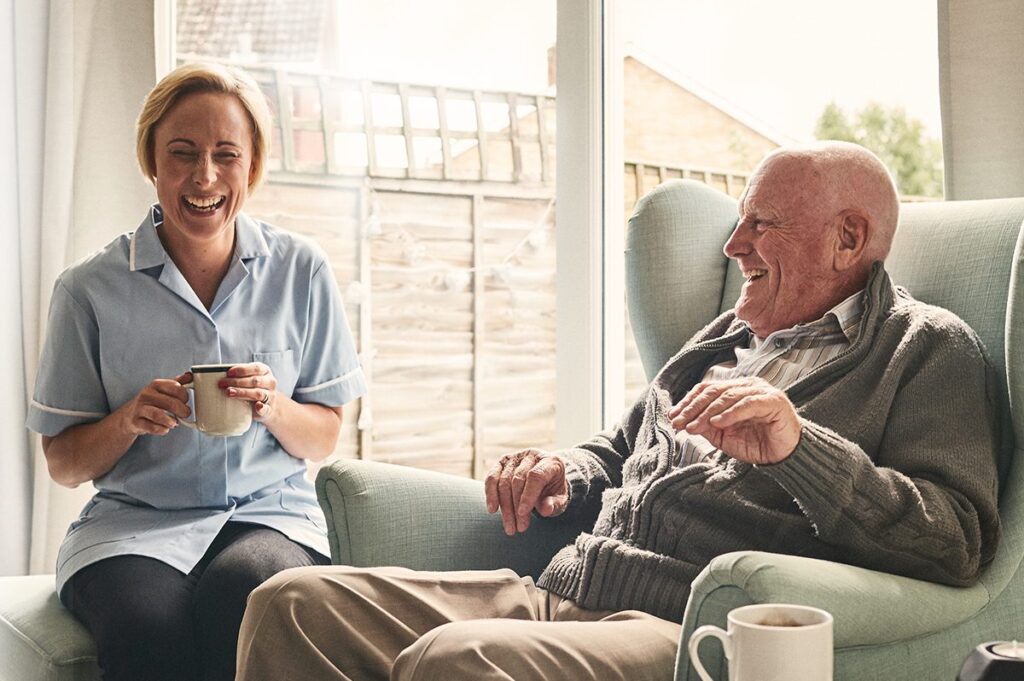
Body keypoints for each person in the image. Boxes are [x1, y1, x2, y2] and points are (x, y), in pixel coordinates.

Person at [233, 142, 1003, 681]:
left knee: (459, 662)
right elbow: (621, 446)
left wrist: (798, 444)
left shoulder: (925, 349)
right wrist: (564, 469)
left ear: (849, 238)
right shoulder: (728, 334)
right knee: (289, 603)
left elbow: (956, 541)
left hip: (684, 624)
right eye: (739, 219)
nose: (734, 244)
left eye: (762, 223)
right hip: (562, 587)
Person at [26, 62, 366, 681]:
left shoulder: (303, 272)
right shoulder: (87, 290)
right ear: (152, 161)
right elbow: (64, 462)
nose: (204, 176)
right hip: (132, 526)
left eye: (225, 155)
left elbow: (324, 435)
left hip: (269, 517)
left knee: (250, 596)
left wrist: (272, 405)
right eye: (181, 154)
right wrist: (128, 420)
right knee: (145, 628)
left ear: (251, 166)